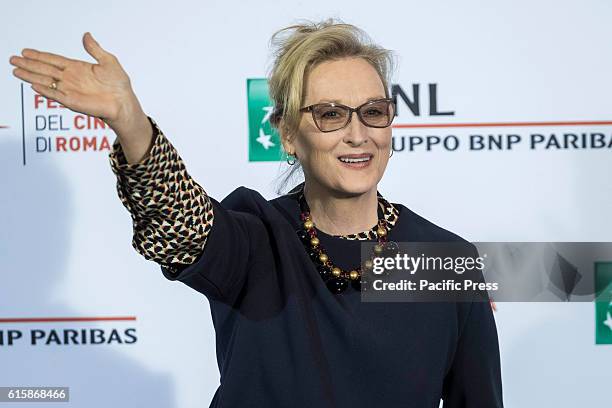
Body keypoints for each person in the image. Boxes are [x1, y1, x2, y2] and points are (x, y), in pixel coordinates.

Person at [9, 19, 503, 407]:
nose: (358, 134)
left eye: (373, 111)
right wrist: (132, 126)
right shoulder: (257, 237)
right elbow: (178, 227)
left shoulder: (442, 261)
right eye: (331, 114)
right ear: (288, 134)